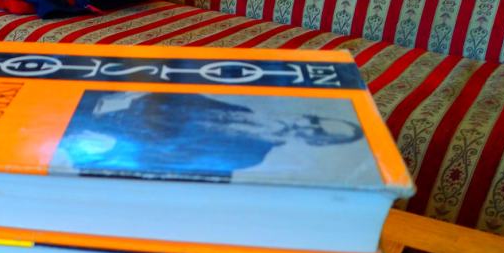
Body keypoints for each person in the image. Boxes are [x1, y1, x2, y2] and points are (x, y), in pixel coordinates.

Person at [56, 91, 365, 180]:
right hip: (111, 108)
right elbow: (181, 98)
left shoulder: (248, 156)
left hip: (107, 139)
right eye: (314, 120)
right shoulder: (243, 110)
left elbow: (163, 161)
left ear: (315, 142)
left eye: (317, 132)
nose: (306, 124)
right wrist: (129, 96)